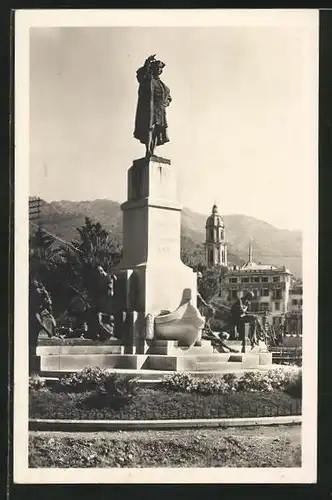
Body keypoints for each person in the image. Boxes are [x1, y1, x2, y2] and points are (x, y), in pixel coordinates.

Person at [134, 54, 172, 157]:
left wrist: (165, 103)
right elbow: (140, 75)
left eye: (161, 69)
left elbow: (168, 97)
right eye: (158, 68)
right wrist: (147, 63)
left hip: (159, 109)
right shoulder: (147, 80)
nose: (159, 70)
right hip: (149, 108)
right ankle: (148, 151)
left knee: (157, 130)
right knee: (149, 128)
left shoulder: (162, 85)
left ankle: (153, 151)